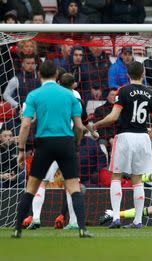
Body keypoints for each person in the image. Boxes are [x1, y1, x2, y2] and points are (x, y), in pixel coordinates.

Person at [12, 60, 91, 238]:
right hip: (66, 143)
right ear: (56, 76)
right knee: (73, 186)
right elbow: (79, 127)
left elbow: (25, 126)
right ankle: (82, 228)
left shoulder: (34, 95)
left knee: (32, 186)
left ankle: (17, 229)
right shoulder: (70, 95)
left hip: (44, 144)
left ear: (39, 75)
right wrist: (76, 142)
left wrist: (21, 150)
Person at [23, 72, 98, 230]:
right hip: (67, 143)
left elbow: (35, 117)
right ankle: (74, 222)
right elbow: (82, 122)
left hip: (47, 141)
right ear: (74, 85)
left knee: (41, 182)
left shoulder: (50, 95)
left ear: (58, 82)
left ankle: (35, 217)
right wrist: (90, 132)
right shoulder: (75, 97)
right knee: (71, 184)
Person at [93, 61, 152, 229]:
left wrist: (96, 125)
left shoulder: (122, 91)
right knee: (138, 179)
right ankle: (138, 221)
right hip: (143, 137)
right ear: (143, 74)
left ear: (128, 75)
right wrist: (151, 134)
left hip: (125, 136)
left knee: (117, 175)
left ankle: (116, 217)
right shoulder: (151, 93)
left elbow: (113, 117)